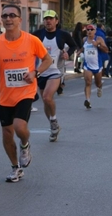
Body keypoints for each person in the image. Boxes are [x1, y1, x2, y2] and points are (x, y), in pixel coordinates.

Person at [0, 4, 52, 182]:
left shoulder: (31, 40)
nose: (8, 19)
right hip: (6, 96)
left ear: (20, 20)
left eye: (12, 15)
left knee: (19, 127)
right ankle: (15, 168)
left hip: (26, 92)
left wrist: (35, 73)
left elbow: (47, 59)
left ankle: (25, 145)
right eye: (5, 16)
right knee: (7, 134)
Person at [33, 10, 77, 142]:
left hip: (55, 71)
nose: (48, 21)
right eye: (46, 18)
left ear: (56, 21)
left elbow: (74, 45)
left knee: (47, 96)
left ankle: (53, 122)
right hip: (41, 72)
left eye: (51, 19)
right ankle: (53, 123)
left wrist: (67, 53)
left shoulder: (62, 34)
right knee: (45, 101)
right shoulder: (38, 34)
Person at [78, 24, 108, 109]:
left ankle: (100, 86)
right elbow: (84, 48)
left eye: (91, 30)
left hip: (97, 66)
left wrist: (98, 45)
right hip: (87, 65)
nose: (89, 31)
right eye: (88, 30)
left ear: (95, 31)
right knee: (88, 82)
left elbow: (106, 50)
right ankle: (88, 100)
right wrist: (80, 51)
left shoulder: (99, 39)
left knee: (97, 83)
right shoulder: (84, 39)